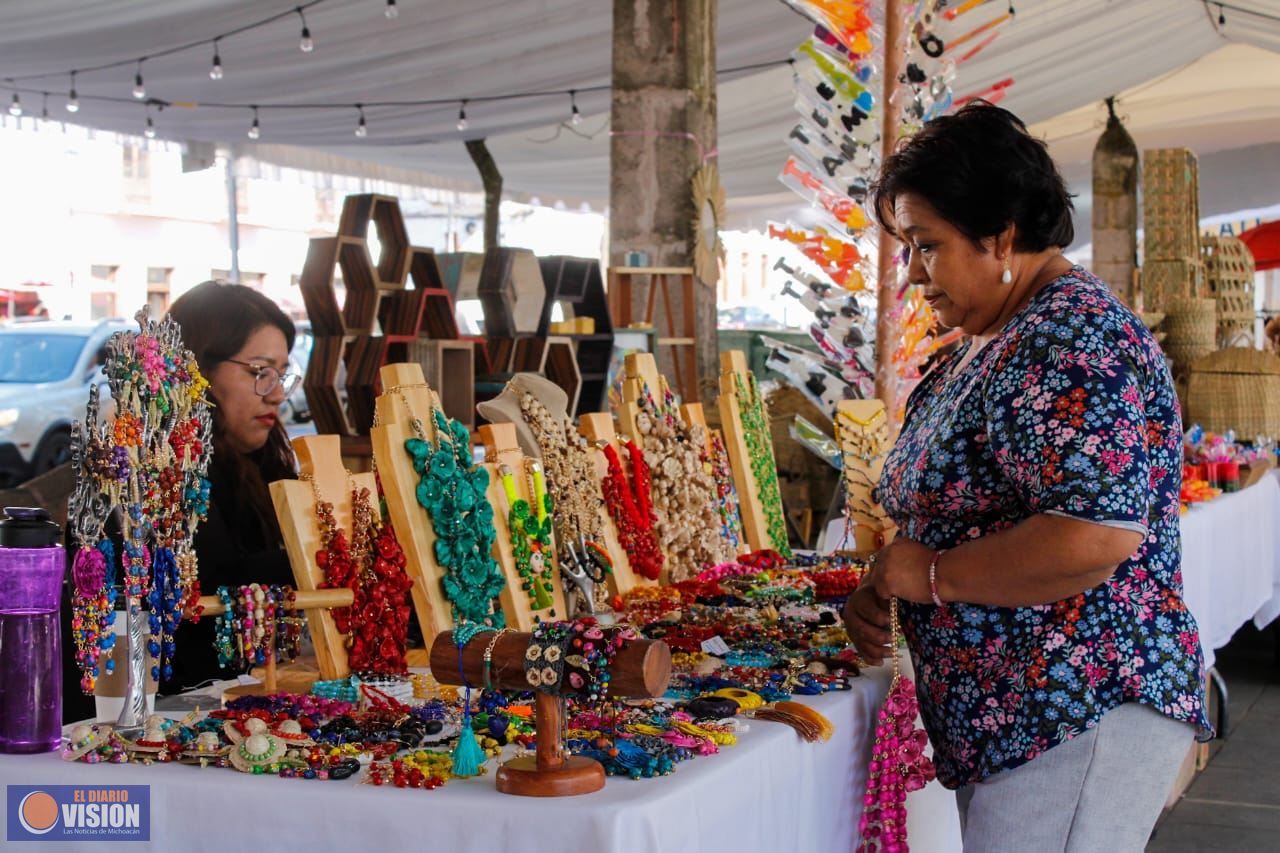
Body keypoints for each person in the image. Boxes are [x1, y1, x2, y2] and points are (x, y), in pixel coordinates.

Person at [842, 103, 1211, 852]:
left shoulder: (1069, 336)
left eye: (927, 246)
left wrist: (934, 574)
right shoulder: (1003, 334)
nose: (913, 273)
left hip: (1077, 710)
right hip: (1031, 715)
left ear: (1001, 231)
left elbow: (1093, 534)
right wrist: (893, 580)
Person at [162, 281, 300, 693]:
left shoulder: (261, 464)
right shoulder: (159, 475)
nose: (277, 395)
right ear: (199, 370)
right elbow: (217, 582)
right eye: (260, 372)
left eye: (281, 375)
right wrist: (323, 551)